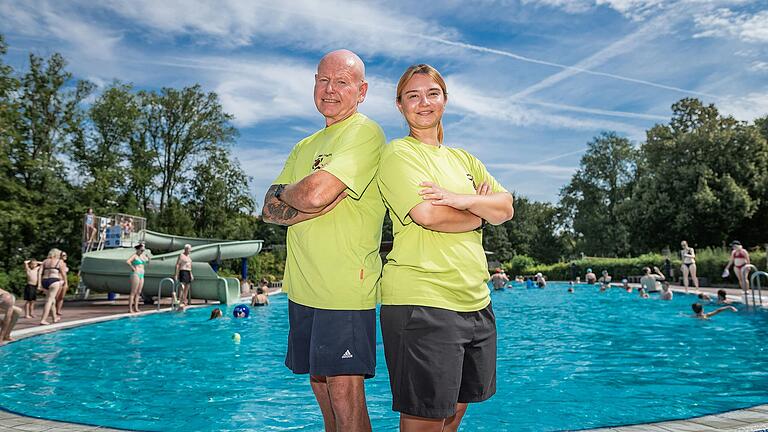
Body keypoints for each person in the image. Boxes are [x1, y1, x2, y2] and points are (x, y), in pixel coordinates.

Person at [377, 63, 514, 432]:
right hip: (423, 300)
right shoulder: (397, 154)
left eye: (432, 93)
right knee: (426, 417)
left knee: (454, 411)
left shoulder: (465, 159)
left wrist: (456, 198)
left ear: (445, 100)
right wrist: (477, 210)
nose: (424, 102)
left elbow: (506, 206)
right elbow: (427, 214)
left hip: (475, 300)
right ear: (400, 106)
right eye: (413, 95)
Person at [261, 50, 386, 432]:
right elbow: (269, 208)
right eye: (323, 80)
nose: (330, 89)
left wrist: (299, 198)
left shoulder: (365, 132)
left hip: (344, 286)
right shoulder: (304, 145)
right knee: (322, 389)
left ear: (361, 91)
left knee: (345, 393)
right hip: (302, 287)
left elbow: (313, 194)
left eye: (342, 82)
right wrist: (309, 198)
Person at [39, 248, 66, 325]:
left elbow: (40, 273)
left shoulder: (45, 261)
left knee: (52, 300)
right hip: (54, 281)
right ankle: (43, 319)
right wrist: (66, 282)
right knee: (49, 300)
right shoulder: (59, 261)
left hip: (44, 281)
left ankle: (55, 318)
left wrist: (39, 284)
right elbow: (63, 273)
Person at [126, 243, 150, 314]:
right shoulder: (135, 256)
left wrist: (148, 259)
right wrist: (133, 268)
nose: (142, 251)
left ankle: (136, 307)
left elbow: (147, 262)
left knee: (139, 292)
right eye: (141, 250)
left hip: (142, 274)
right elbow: (127, 261)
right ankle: (130, 308)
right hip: (136, 273)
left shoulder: (142, 256)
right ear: (138, 249)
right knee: (133, 292)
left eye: (143, 250)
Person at [55, 251, 70, 320]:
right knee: (56, 297)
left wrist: (66, 282)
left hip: (63, 280)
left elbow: (65, 274)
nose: (65, 256)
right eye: (63, 255)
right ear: (60, 256)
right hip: (59, 280)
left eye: (65, 255)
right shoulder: (58, 263)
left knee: (61, 297)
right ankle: (54, 311)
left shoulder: (65, 264)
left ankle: (58, 310)